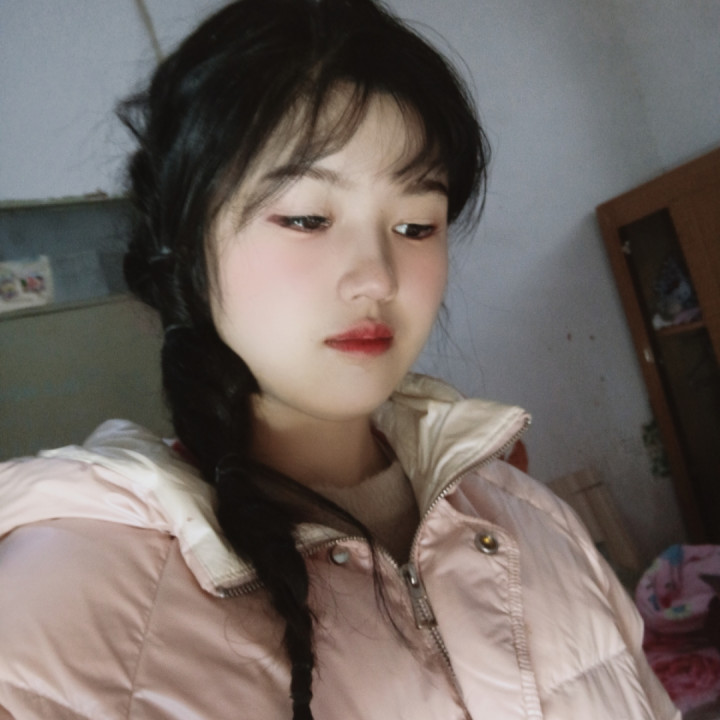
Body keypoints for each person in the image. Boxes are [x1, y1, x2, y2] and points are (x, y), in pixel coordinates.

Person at [0, 1, 679, 718]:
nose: (377, 277)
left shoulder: (533, 522)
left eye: (415, 225)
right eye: (306, 218)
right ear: (188, 249)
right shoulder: (64, 610)